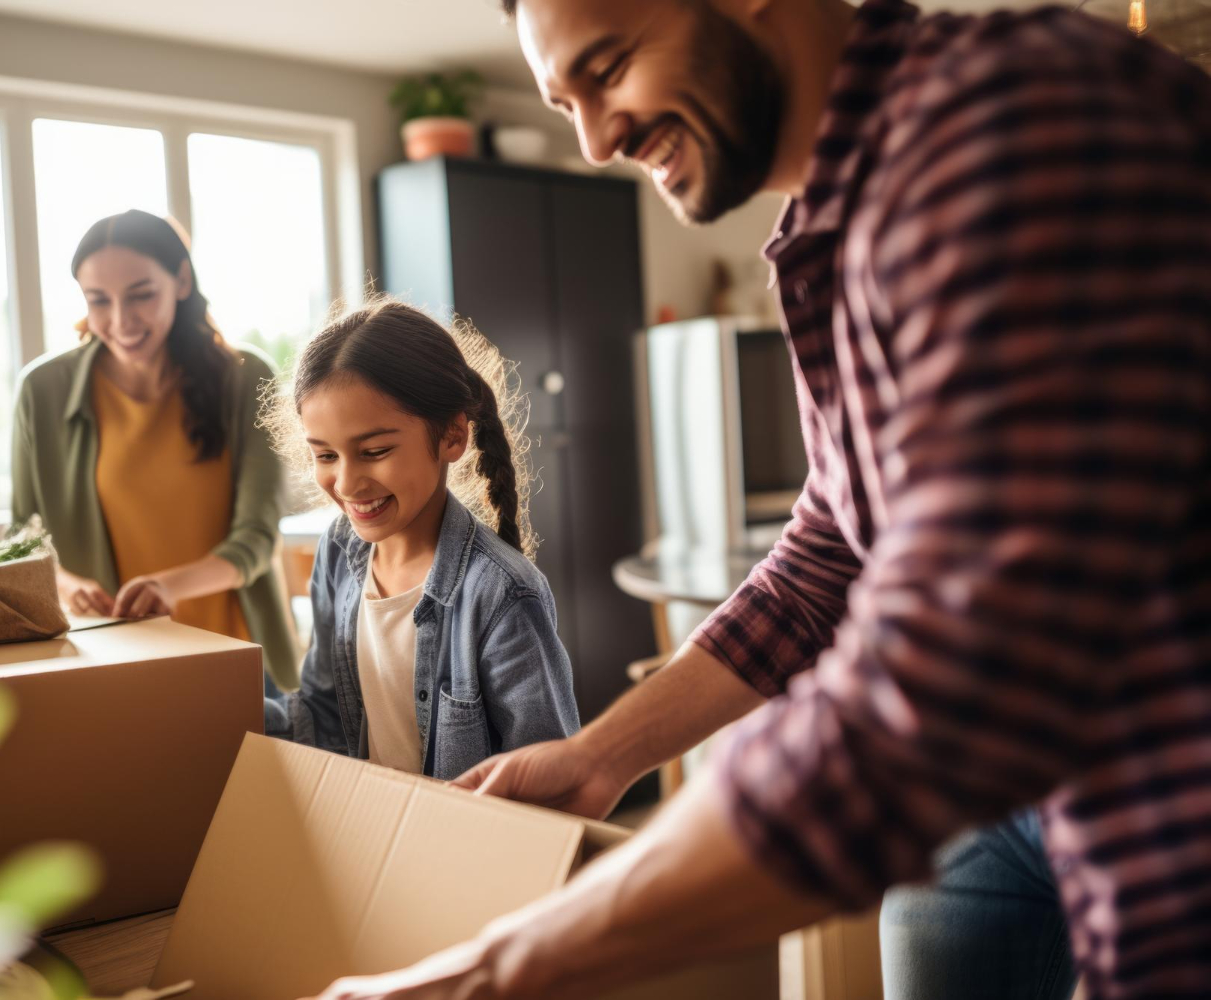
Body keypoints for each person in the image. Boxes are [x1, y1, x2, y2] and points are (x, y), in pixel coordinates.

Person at [309, 0, 1211, 997]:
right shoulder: (826, 232)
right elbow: (829, 555)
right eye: (567, 102)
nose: (599, 140)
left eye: (607, 69)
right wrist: (601, 754)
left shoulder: (1002, 126)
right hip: (1003, 809)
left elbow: (954, 680)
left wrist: (492, 971)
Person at [261, 299, 580, 779]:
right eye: (325, 456)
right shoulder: (338, 552)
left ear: (452, 436)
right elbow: (324, 718)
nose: (346, 484)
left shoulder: (502, 595)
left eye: (375, 451)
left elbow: (552, 778)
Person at [11, 208, 299, 691]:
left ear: (181, 280)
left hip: (242, 657)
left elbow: (257, 538)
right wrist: (65, 584)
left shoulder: (247, 378)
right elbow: (21, 537)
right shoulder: (43, 390)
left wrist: (168, 587)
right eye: (98, 300)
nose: (121, 320)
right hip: (114, 658)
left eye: (141, 295)